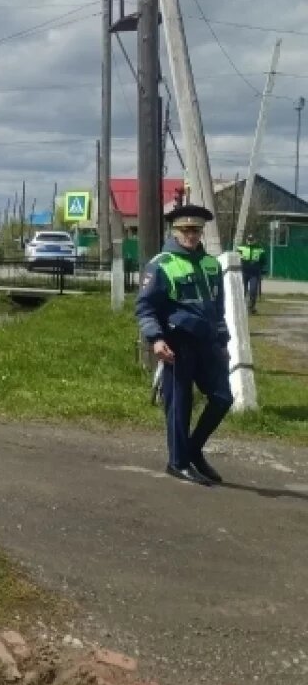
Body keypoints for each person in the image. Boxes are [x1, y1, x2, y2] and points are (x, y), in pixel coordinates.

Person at [135, 204, 234, 486]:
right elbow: (145, 307)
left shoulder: (211, 264)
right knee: (180, 404)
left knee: (222, 398)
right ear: (175, 231)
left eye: (196, 230)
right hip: (176, 344)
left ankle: (192, 451)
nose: (191, 235)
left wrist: (223, 341)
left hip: (208, 344)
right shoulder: (161, 264)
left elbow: (218, 308)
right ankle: (177, 462)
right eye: (185, 230)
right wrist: (155, 340)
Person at [237, 233, 266, 314]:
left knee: (253, 290)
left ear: (255, 240)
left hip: (254, 273)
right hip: (243, 272)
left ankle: (251, 308)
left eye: (252, 240)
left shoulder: (260, 249)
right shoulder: (240, 248)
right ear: (246, 240)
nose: (250, 241)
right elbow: (235, 258)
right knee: (242, 290)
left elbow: (264, 261)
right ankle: (240, 308)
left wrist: (262, 270)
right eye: (249, 240)